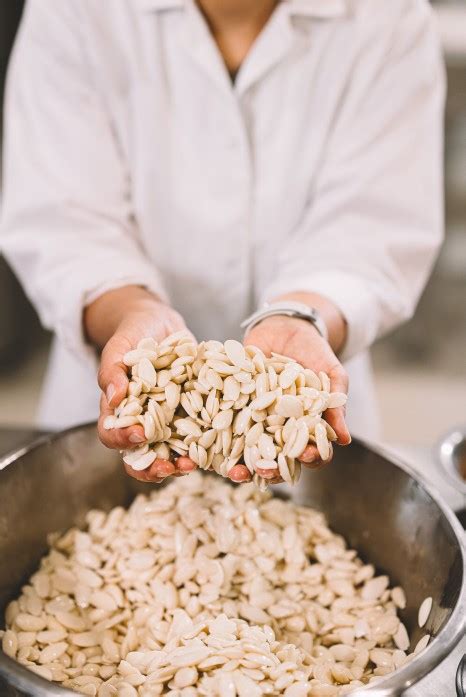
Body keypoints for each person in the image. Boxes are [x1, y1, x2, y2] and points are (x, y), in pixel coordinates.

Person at [0, 0, 444, 484]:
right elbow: (66, 217)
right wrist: (129, 312)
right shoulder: (73, 10)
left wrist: (302, 317)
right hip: (112, 400)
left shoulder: (389, 16)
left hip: (300, 407)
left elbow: (371, 227)